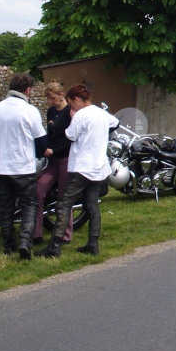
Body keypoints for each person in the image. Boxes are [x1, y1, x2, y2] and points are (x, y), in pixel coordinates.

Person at [37, 84, 118, 258]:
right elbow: (115, 123)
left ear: (76, 100)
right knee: (92, 205)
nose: (71, 108)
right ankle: (93, 243)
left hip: (82, 166)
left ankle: (55, 246)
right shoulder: (101, 113)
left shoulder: (80, 115)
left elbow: (70, 135)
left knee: (64, 203)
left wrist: (74, 118)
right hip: (98, 166)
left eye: (71, 104)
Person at [0, 73, 47, 259]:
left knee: (5, 208)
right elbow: (41, 143)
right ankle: (25, 242)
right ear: (28, 90)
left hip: (0, 166)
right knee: (29, 204)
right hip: (23, 167)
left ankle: (8, 246)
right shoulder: (30, 110)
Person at [33, 81, 73, 245]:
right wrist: (45, 148)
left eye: (52, 98)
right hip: (52, 160)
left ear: (61, 95)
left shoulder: (70, 112)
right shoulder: (51, 112)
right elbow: (49, 134)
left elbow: (71, 138)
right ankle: (36, 233)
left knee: (63, 196)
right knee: (38, 191)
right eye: (48, 99)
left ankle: (65, 235)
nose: (50, 102)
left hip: (65, 158)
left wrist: (55, 151)